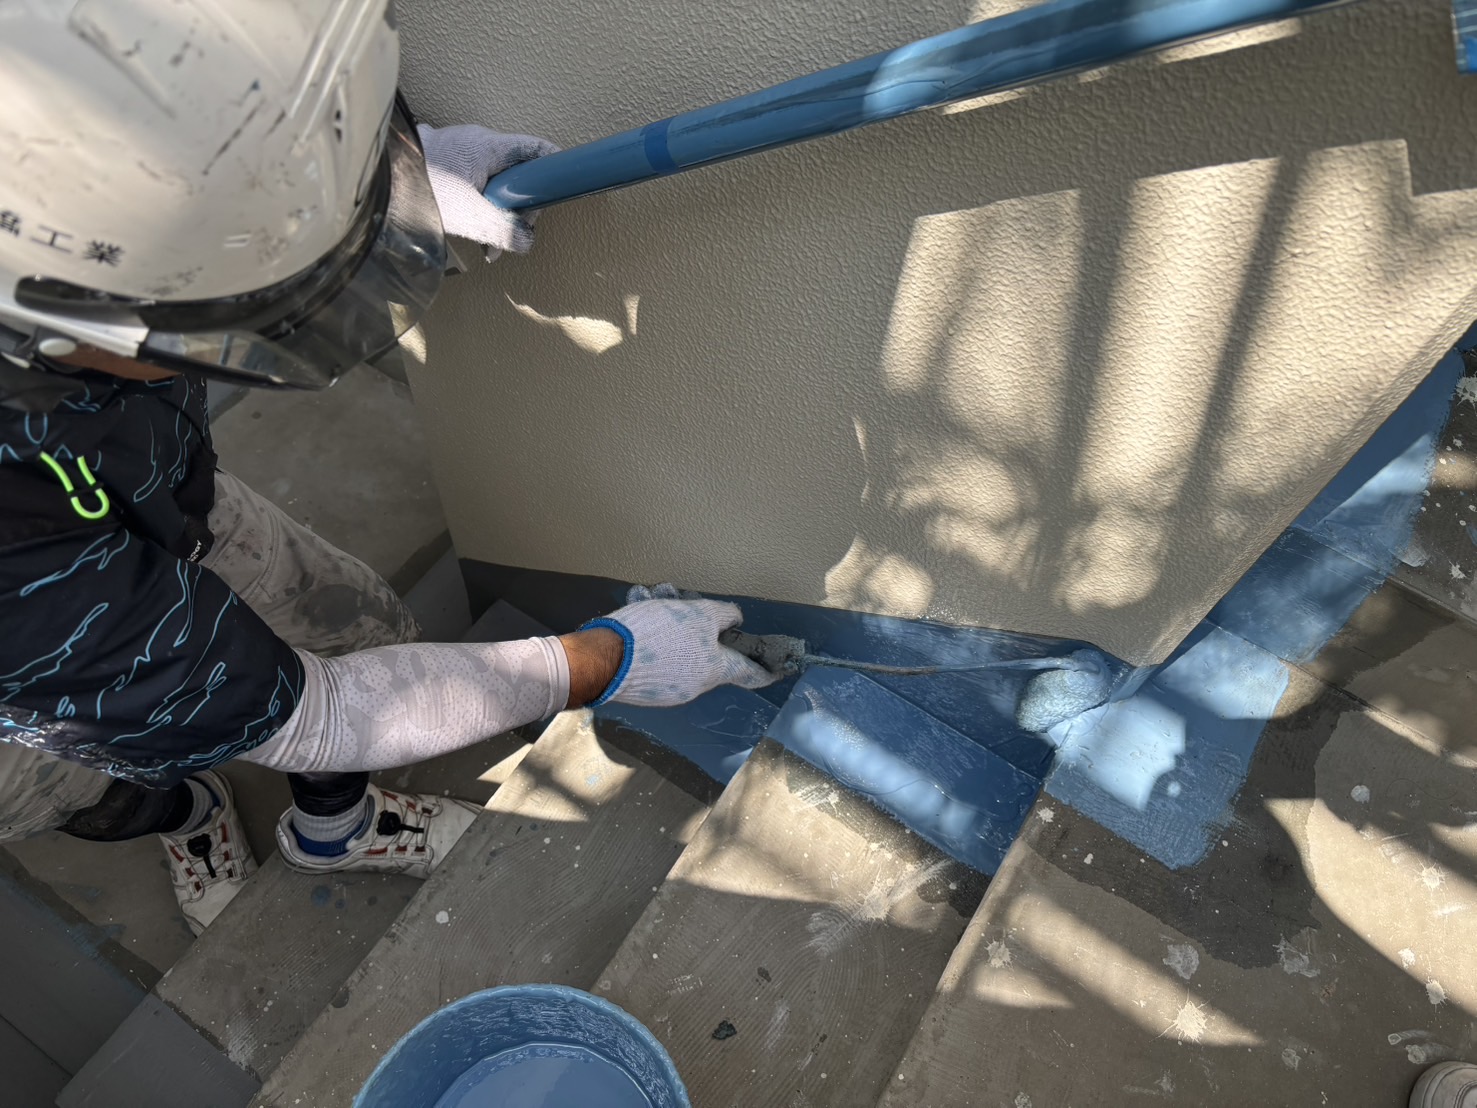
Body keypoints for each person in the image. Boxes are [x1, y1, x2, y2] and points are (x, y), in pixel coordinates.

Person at [0, 1, 775, 935]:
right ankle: (183, 811)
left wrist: (370, 188)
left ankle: (335, 829)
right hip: (24, 655)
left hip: (158, 495)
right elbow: (323, 716)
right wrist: (604, 661)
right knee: (100, 780)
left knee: (359, 633)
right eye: (243, 305)